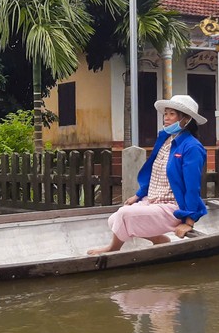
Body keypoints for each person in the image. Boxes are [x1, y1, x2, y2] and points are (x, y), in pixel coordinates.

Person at [88, 94, 208, 254]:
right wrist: (138, 195)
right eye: (166, 113)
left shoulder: (192, 147)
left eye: (172, 114)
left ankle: (113, 249)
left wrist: (189, 222)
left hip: (173, 207)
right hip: (154, 200)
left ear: (186, 120)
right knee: (114, 219)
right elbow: (155, 174)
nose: (166, 118)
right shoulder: (166, 140)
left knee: (123, 216)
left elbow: (192, 187)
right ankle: (159, 239)